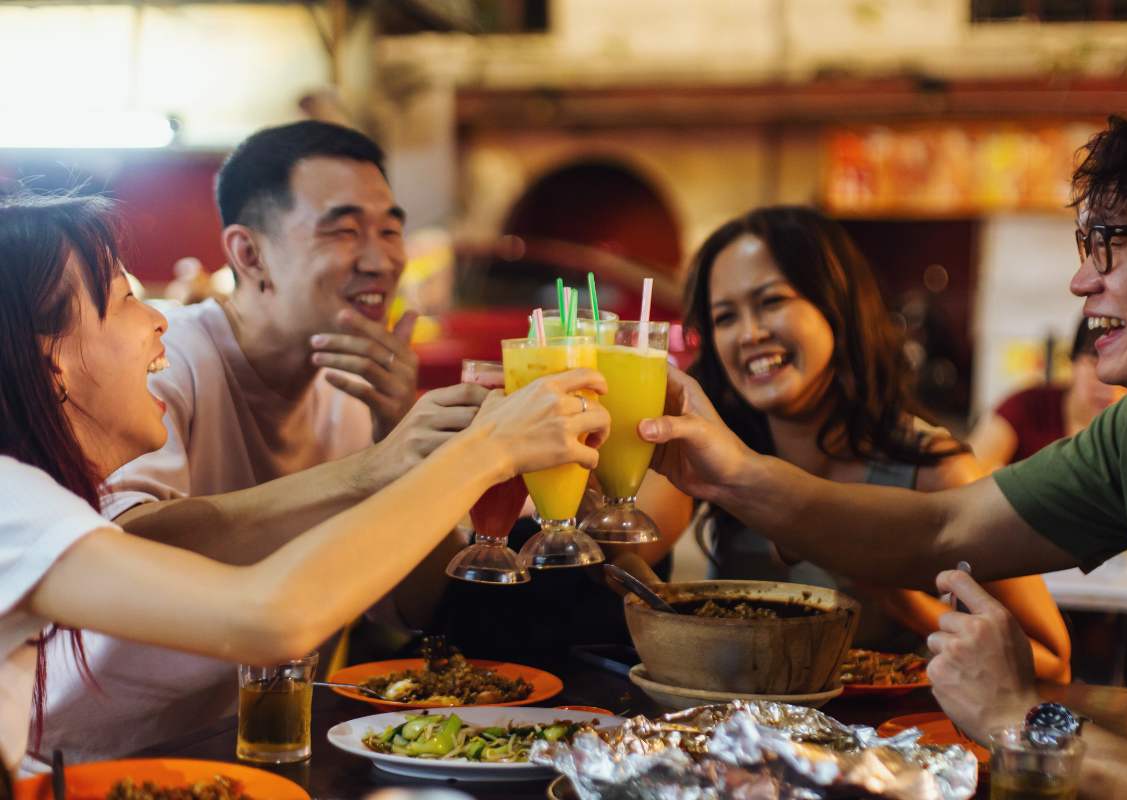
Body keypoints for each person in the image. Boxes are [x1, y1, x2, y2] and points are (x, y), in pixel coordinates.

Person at [638, 100, 1127, 796]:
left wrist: (1023, 719)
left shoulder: (925, 450)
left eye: (1110, 243)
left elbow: (1038, 654)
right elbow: (944, 528)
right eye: (1087, 246)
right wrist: (732, 474)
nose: (1082, 281)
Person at [0, 189, 610, 772]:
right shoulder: (13, 502)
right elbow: (271, 619)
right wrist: (487, 450)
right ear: (47, 353)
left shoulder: (34, 496)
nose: (159, 317)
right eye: (122, 297)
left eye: (391, 228)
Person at [39, 120, 474, 759]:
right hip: (87, 759)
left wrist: (394, 431)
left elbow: (418, 606)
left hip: (252, 752)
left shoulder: (351, 397)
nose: (381, 258)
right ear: (248, 254)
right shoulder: (162, 359)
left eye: (390, 229)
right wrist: (376, 467)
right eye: (344, 230)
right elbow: (125, 542)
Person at [629, 206, 1069, 680]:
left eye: (772, 301)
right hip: (747, 739)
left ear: (836, 306)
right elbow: (623, 550)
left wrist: (906, 605)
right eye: (726, 317)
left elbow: (1052, 660)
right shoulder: (716, 449)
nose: (750, 333)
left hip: (891, 742)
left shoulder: (935, 470)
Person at [969, 316, 1124, 472]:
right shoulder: (1028, 407)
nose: (1109, 388)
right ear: (1073, 363)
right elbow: (968, 470)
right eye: (1095, 366)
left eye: (1123, 377)